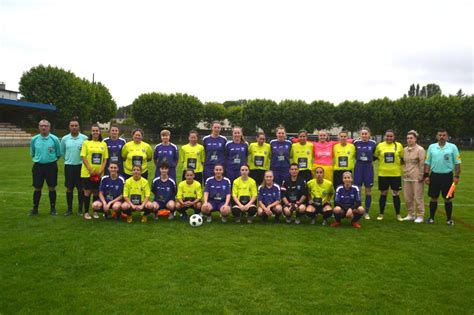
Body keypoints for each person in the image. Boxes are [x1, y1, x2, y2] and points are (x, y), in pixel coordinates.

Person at [424, 129, 462, 225]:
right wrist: (426, 175)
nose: (442, 137)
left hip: (448, 176)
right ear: (437, 136)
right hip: (434, 176)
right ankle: (431, 218)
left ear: (447, 136)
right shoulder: (432, 147)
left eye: (444, 135)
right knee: (433, 197)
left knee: (448, 198)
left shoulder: (452, 147)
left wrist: (456, 176)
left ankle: (449, 219)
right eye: (440, 135)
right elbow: (427, 163)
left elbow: (457, 163)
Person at [29, 119, 61, 216]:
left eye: (46, 126)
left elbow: (58, 154)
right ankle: (35, 209)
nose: (43, 127)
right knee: (37, 187)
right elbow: (32, 153)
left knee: (52, 187)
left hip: (51, 166)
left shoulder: (54, 139)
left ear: (49, 127)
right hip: (38, 166)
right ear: (38, 127)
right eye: (41, 126)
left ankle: (53, 208)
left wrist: (50, 159)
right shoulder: (34, 139)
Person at [374, 129, 404, 221]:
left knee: (396, 194)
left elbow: (402, 159)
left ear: (394, 137)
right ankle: (381, 213)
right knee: (383, 193)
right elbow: (375, 156)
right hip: (383, 174)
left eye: (391, 136)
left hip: (395, 174)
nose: (389, 138)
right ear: (385, 136)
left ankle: (398, 214)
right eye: (387, 136)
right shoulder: (380, 145)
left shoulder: (399, 145)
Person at [80, 124, 109, 220]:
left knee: (96, 192)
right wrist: (90, 169)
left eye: (97, 130)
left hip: (99, 174)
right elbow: (83, 156)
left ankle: (95, 211)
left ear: (99, 132)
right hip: (87, 173)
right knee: (87, 192)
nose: (95, 132)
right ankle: (86, 212)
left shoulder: (103, 144)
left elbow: (105, 158)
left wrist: (101, 170)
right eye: (94, 131)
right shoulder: (86, 143)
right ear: (91, 132)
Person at [60, 118, 88, 216]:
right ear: (69, 127)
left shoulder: (85, 138)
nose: (74, 127)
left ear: (79, 127)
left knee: (81, 189)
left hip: (81, 167)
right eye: (72, 126)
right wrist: (68, 159)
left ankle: (80, 209)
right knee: (69, 188)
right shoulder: (64, 139)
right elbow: (62, 152)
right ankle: (69, 209)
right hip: (69, 167)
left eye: (76, 125)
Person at [353, 127, 377, 219]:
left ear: (369, 134)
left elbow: (375, 155)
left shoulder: (373, 143)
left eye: (366, 133)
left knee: (368, 190)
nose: (364, 135)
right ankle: (357, 209)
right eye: (362, 134)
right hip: (358, 166)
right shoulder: (356, 143)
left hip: (368, 167)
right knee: (357, 189)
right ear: (360, 135)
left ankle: (366, 212)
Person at [402, 130, 426, 223]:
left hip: (416, 177)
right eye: (408, 138)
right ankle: (410, 214)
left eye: (411, 138)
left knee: (418, 197)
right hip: (407, 176)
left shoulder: (420, 149)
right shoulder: (404, 150)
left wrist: (421, 175)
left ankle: (420, 215)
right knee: (408, 197)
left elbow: (422, 163)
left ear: (415, 139)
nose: (409, 140)